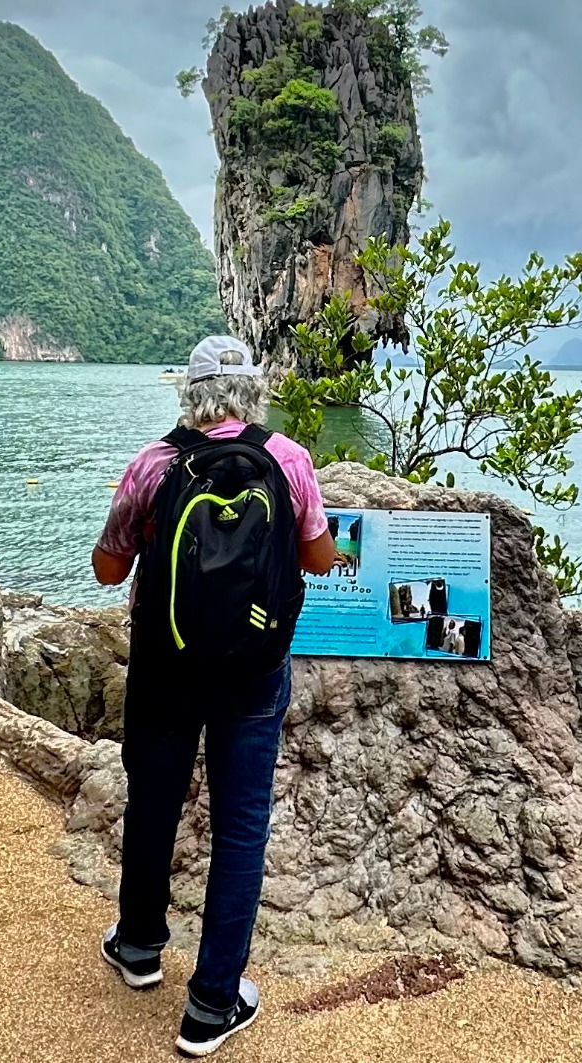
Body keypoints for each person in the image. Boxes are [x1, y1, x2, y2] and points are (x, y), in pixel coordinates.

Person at [89, 335, 336, 1057]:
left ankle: (138, 945)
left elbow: (108, 569)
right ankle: (212, 1003)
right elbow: (318, 558)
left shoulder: (154, 462)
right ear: (253, 392)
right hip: (253, 671)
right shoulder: (287, 459)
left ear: (187, 393)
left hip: (165, 664)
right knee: (239, 825)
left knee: (155, 799)